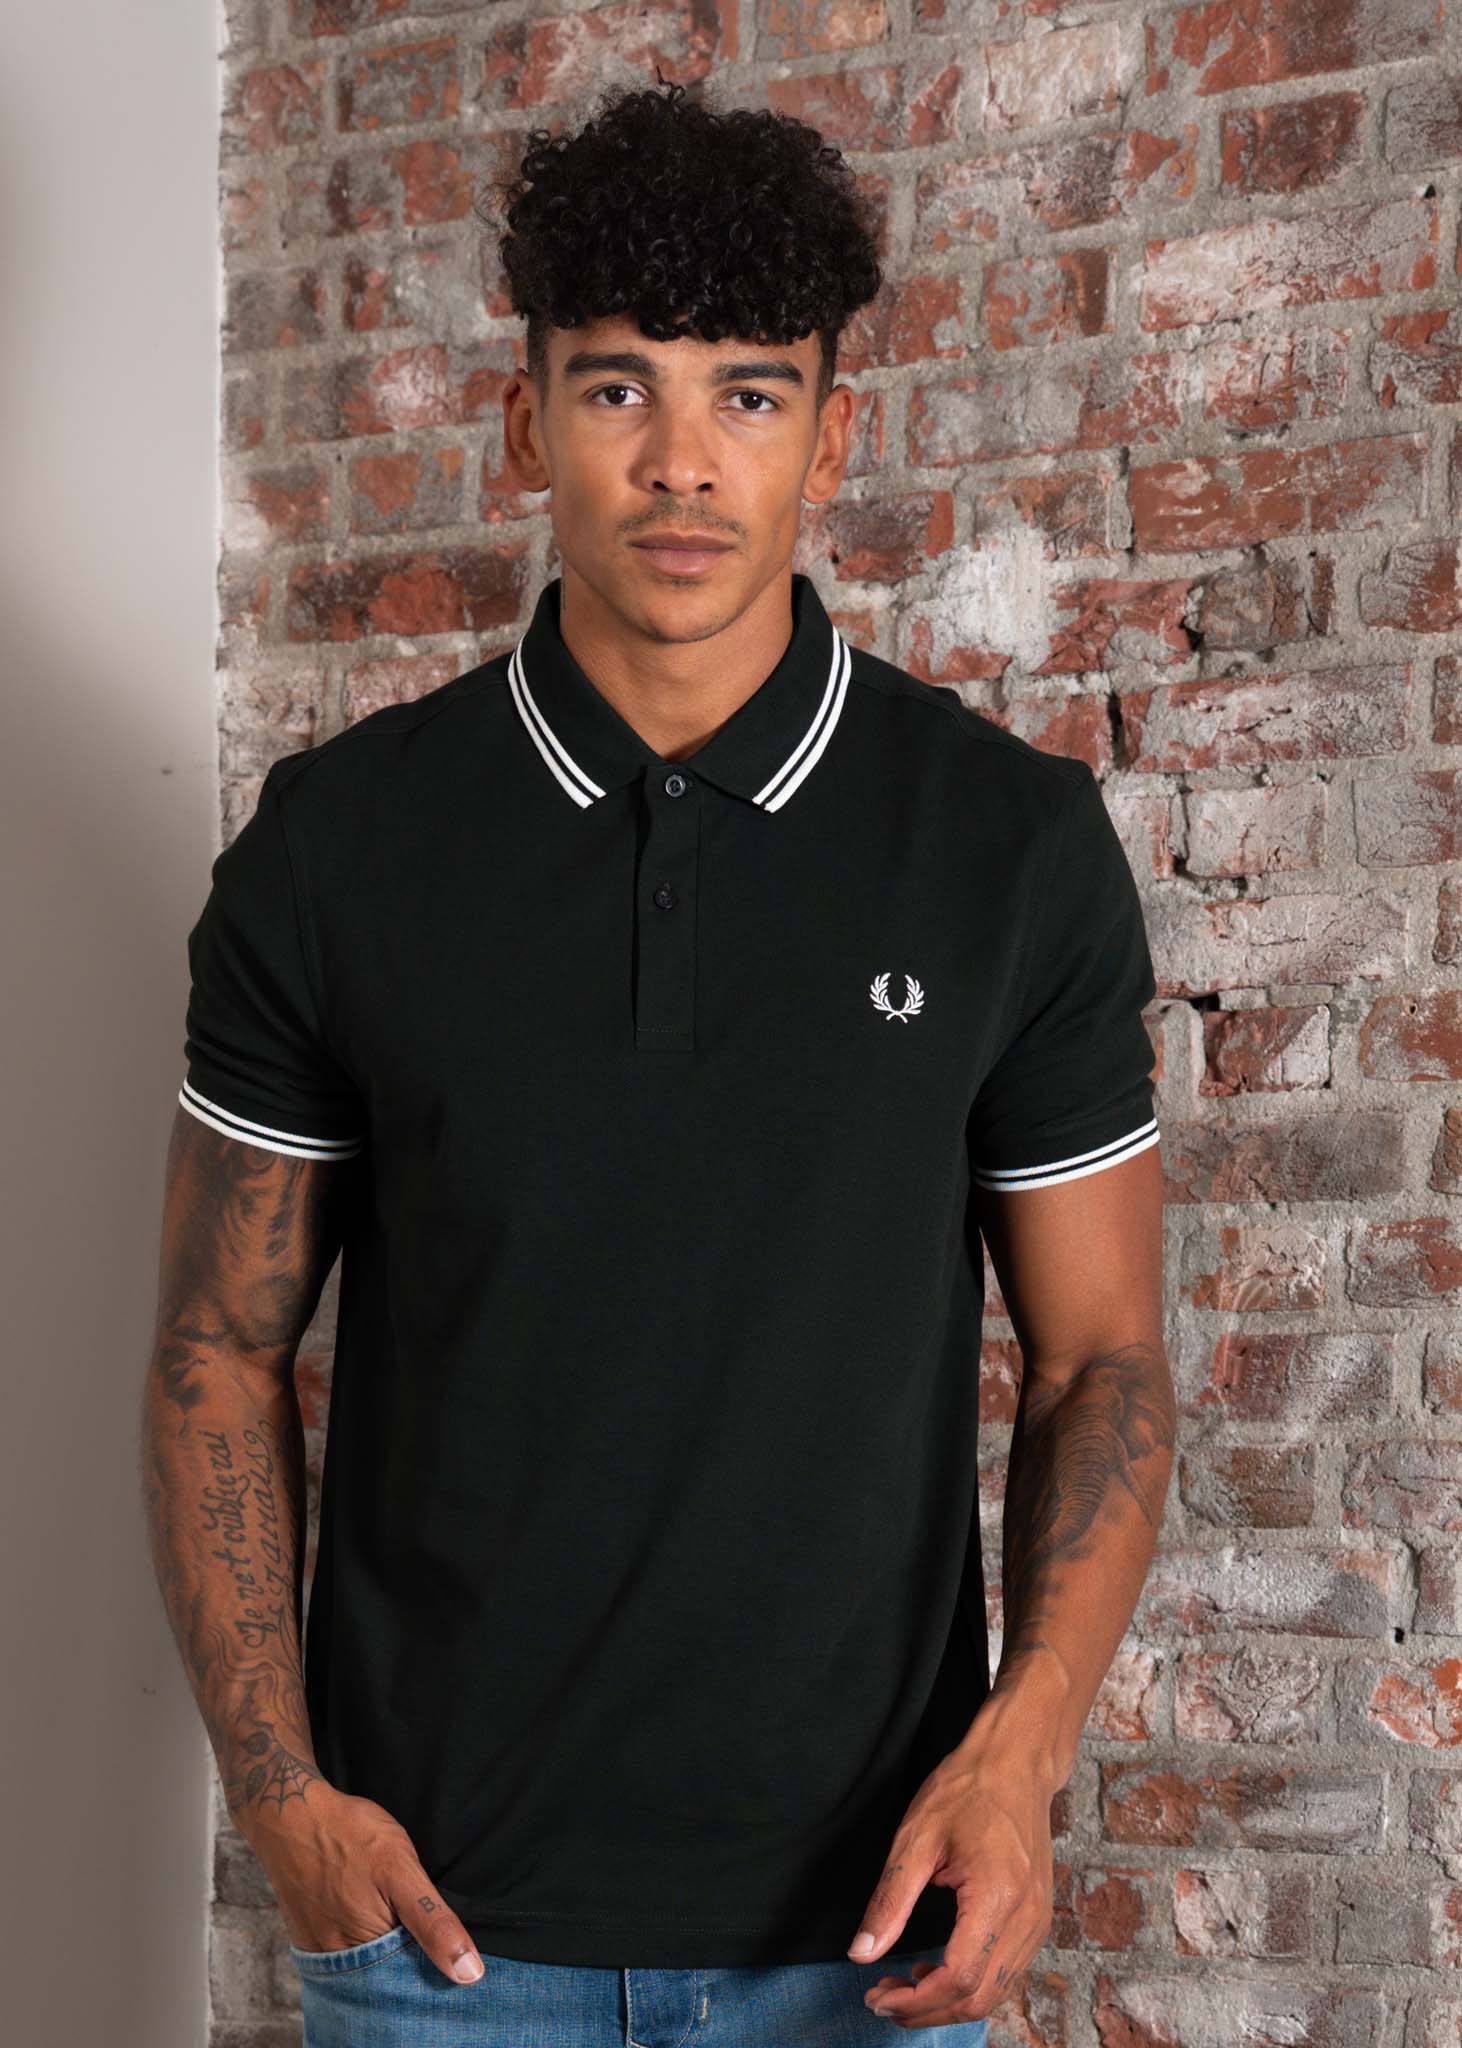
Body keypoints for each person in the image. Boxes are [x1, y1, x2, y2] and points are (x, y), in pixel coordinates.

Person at [140, 74, 1174, 2046]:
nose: (682, 462)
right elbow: (214, 1343)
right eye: (617, 388)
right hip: (439, 1948)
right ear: (525, 423)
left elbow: (1100, 1359)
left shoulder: (1004, 851)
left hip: (869, 1939)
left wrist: (1018, 1760)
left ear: (830, 436)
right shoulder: (341, 850)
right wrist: (282, 1802)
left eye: (748, 396)